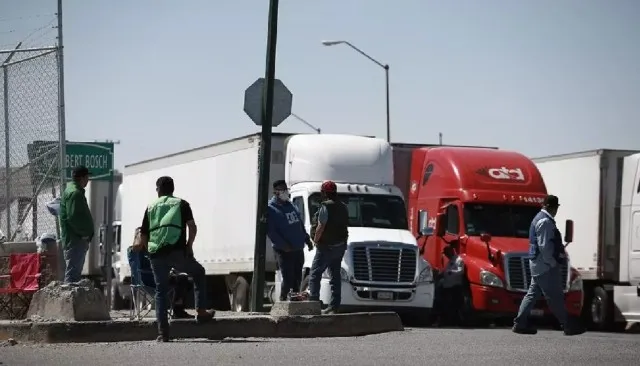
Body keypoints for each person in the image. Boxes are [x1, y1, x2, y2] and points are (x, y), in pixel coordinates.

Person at [138, 176, 214, 342]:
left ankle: (163, 333)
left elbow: (143, 234)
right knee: (199, 272)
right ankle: (201, 312)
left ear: (158, 190)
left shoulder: (151, 207)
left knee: (160, 291)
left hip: (156, 254)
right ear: (173, 189)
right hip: (177, 252)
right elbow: (192, 227)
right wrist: (189, 245)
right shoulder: (181, 204)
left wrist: (149, 251)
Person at [513, 195, 585, 336]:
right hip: (545, 265)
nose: (556, 210)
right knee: (555, 296)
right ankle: (567, 325)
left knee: (532, 295)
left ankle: (519, 323)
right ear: (552, 207)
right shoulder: (545, 221)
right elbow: (545, 246)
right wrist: (552, 263)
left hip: (538, 264)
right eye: (556, 207)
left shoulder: (539, 219)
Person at [308, 180, 349, 314]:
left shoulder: (326, 206)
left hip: (326, 247)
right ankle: (334, 306)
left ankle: (313, 302)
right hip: (340, 246)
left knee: (315, 273)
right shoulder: (343, 206)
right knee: (335, 276)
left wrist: (315, 240)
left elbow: (321, 226)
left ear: (324, 193)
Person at [267, 180, 312, 301]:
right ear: (276, 192)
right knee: (288, 278)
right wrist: (283, 245)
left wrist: (307, 239)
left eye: (286, 189)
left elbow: (299, 223)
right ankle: (282, 300)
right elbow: (271, 232)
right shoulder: (271, 209)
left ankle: (295, 300)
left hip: (298, 248)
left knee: (297, 277)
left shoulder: (291, 205)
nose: (285, 192)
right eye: (282, 190)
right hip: (284, 250)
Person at [59, 166, 95, 284]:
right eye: (87, 177)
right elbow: (73, 217)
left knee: (73, 275)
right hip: (75, 240)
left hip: (75, 239)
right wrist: (84, 234)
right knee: (72, 277)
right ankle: (66, 302)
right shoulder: (75, 194)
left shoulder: (74, 191)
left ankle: (69, 301)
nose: (88, 180)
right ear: (82, 178)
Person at [435, 246, 465, 325]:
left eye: (447, 253)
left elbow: (460, 271)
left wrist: (450, 272)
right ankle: (447, 321)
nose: (446, 255)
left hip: (455, 286)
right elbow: (445, 272)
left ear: (451, 251)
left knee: (455, 305)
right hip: (447, 286)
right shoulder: (450, 261)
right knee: (447, 305)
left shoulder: (459, 260)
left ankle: (457, 322)